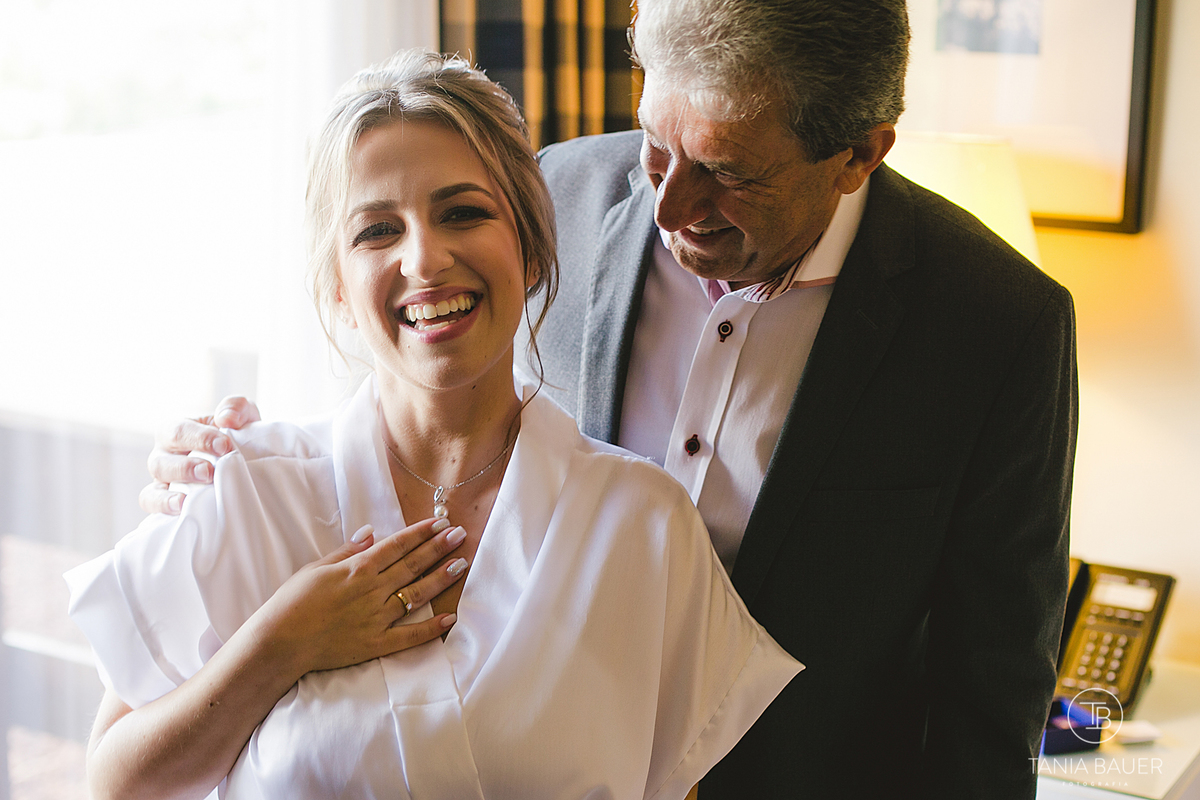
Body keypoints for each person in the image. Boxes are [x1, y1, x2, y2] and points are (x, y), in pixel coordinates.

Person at [141, 1, 1078, 797]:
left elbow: (992, 691)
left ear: (857, 155)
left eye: (728, 173)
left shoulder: (997, 326)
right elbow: (426, 378)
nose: (669, 210)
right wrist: (223, 468)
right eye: (658, 144)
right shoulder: (563, 191)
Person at [67, 49, 800, 800]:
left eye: (463, 213)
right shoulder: (248, 492)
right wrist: (281, 642)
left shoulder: (642, 524)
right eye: (377, 231)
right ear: (340, 290)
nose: (426, 259)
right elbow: (116, 784)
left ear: (531, 247)